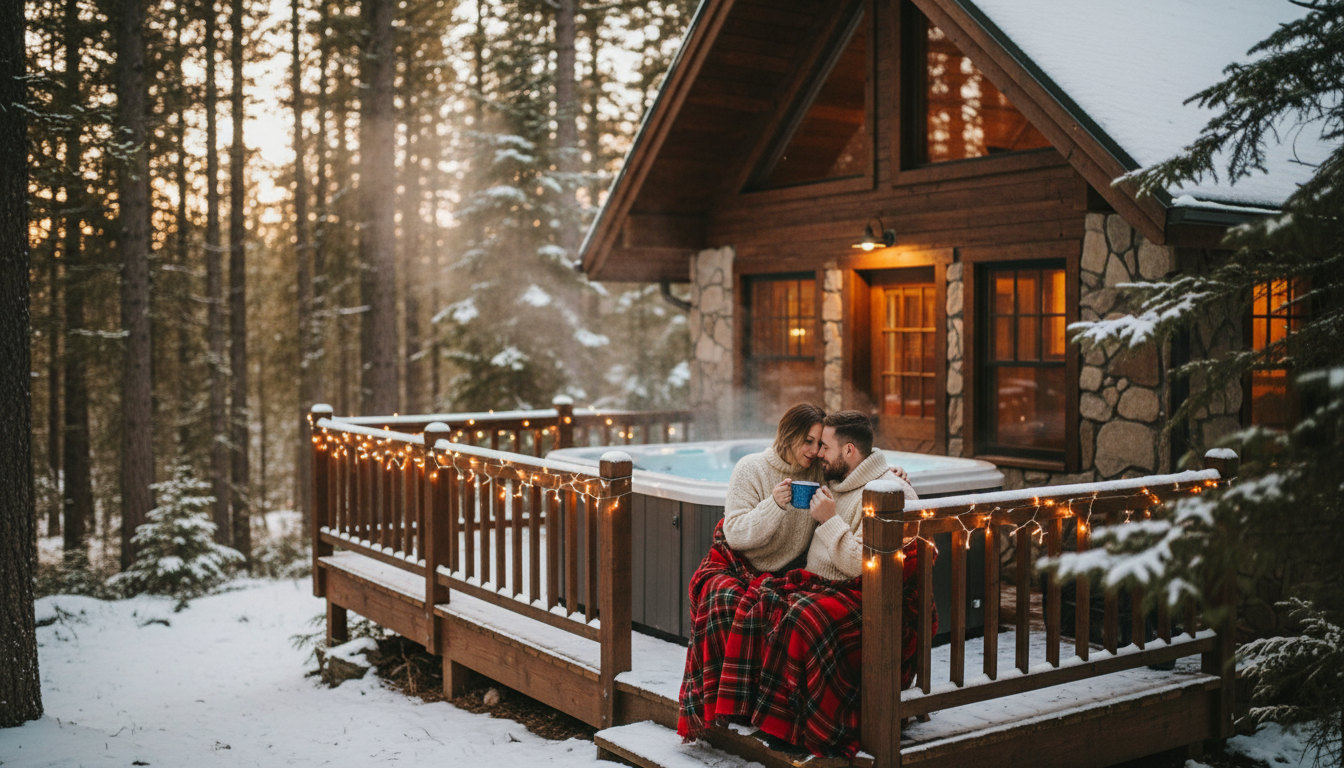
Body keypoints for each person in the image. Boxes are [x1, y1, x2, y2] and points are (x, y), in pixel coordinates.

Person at [679, 409, 930, 759]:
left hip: (862, 588)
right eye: (811, 443)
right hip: (804, 577)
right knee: (765, 607)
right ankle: (755, 712)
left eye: (823, 445)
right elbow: (864, 464)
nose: (817, 453)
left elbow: (864, 563)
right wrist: (777, 506)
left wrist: (839, 513)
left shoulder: (875, 489)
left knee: (798, 618)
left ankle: (797, 727)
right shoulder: (827, 477)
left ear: (847, 451)